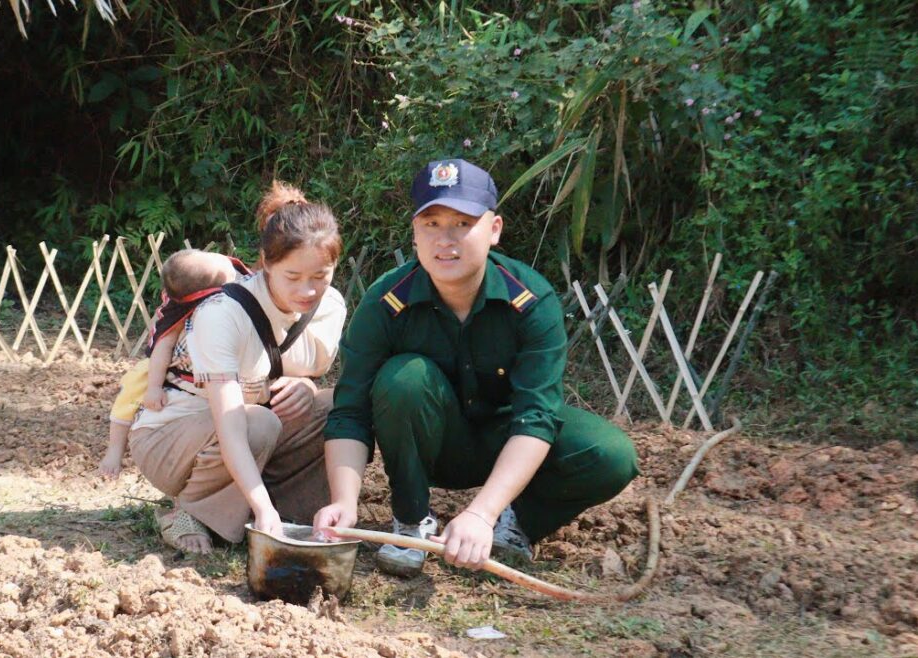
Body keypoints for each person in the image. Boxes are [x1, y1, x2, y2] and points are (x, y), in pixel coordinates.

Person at [314, 158, 639, 577]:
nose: (445, 239)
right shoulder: (385, 303)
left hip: (507, 444)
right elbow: (349, 413)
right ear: (414, 233)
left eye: (463, 223)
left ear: (495, 229)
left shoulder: (531, 302)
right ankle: (412, 520)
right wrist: (345, 501)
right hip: (430, 446)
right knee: (405, 378)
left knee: (610, 455)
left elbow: (537, 418)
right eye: (430, 223)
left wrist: (482, 513)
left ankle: (514, 523)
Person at [129, 181, 347, 554]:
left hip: (252, 424)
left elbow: (293, 368)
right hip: (172, 435)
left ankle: (284, 516)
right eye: (292, 277)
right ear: (265, 262)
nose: (307, 291)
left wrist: (308, 388)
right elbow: (231, 424)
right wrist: (260, 504)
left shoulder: (329, 308)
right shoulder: (224, 313)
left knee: (336, 408)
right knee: (258, 423)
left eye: (320, 277)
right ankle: (189, 510)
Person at [98, 249, 247, 478]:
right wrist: (154, 387)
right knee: (129, 394)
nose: (226, 261)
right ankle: (115, 448)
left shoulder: (230, 295)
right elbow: (162, 346)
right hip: (160, 364)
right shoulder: (183, 308)